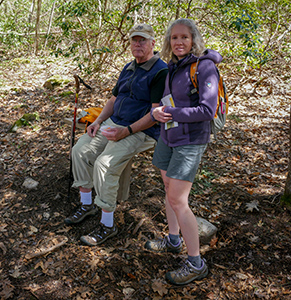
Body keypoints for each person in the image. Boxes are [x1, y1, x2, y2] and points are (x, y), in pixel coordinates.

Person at [64, 24, 168, 246]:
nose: (138, 44)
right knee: (80, 150)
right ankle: (86, 204)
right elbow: (113, 100)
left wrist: (126, 131)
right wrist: (98, 121)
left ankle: (108, 224)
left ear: (152, 43)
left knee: (104, 164)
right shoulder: (128, 68)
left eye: (143, 40)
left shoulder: (160, 71)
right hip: (114, 122)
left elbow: (155, 113)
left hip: (140, 129)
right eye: (134, 40)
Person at [145, 18, 222, 285]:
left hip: (190, 139)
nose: (179, 42)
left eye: (184, 38)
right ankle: (173, 239)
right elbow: (166, 103)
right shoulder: (172, 67)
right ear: (169, 42)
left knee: (178, 199)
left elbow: (207, 110)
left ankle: (196, 262)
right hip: (169, 136)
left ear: (193, 40)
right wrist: (158, 112)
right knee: (168, 188)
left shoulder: (205, 67)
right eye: (174, 38)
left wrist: (170, 112)